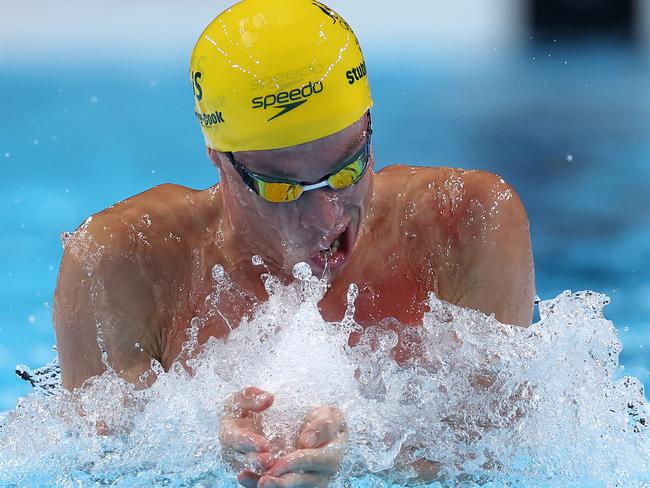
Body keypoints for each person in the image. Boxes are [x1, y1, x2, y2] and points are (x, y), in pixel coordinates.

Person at [53, 0, 535, 485]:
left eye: (348, 170)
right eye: (282, 189)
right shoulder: (120, 263)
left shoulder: (465, 225)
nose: (327, 215)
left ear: (369, 125)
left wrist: (360, 455)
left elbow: (495, 456)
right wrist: (204, 453)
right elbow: (96, 467)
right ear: (218, 159)